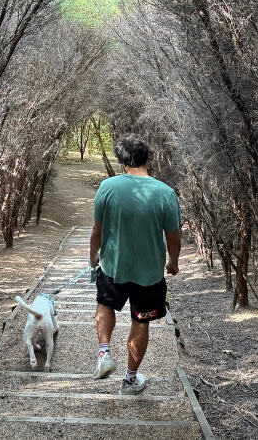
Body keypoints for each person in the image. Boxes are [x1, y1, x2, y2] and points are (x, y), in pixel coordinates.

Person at [89, 133, 181, 394]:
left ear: (122, 161)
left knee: (105, 305)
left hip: (113, 268)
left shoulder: (108, 187)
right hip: (150, 274)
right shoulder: (165, 193)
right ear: (146, 159)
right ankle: (130, 379)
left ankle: (104, 354)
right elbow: (173, 236)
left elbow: (97, 230)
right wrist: (173, 262)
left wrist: (93, 256)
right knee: (140, 322)